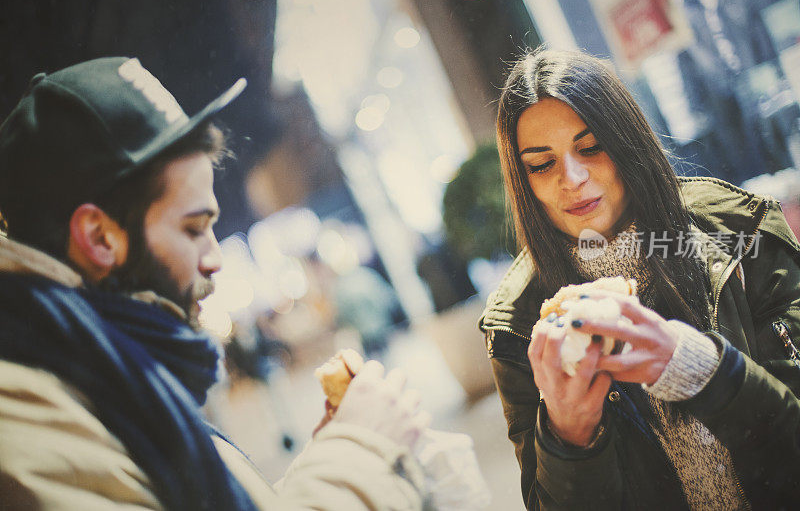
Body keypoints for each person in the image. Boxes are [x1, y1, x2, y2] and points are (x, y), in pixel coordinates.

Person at [0, 57, 430, 510]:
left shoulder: (103, 369)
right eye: (192, 229)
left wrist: (324, 462)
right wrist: (361, 452)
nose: (215, 259)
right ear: (99, 237)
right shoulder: (22, 410)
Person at [479, 47, 800, 509]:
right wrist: (568, 437)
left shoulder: (743, 234)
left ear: (626, 139)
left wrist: (701, 369)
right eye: (541, 164)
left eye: (590, 147)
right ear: (522, 178)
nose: (572, 177)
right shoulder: (517, 321)